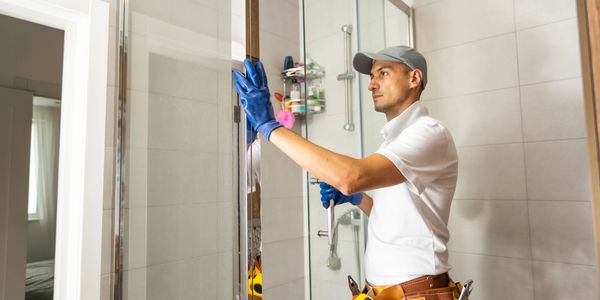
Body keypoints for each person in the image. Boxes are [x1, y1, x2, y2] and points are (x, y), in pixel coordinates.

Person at [233, 46, 461, 299]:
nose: (371, 85)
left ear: (414, 78)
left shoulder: (428, 132)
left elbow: (351, 177)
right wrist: (359, 199)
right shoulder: (394, 141)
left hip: (417, 293)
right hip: (386, 292)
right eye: (372, 76)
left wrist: (270, 127)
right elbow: (397, 217)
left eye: (383, 73)